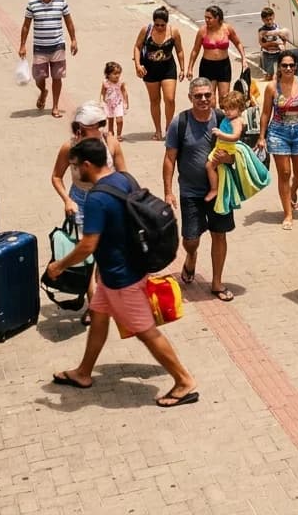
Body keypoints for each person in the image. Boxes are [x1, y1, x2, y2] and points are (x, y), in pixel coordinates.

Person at [48, 137, 198, 406]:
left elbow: (88, 244)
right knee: (99, 317)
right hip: (125, 268)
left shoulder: (96, 198)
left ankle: (184, 380)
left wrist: (60, 265)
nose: (74, 172)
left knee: (146, 332)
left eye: (74, 166)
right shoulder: (124, 178)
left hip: (121, 278)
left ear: (86, 164)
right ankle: (83, 373)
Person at [49, 102, 128, 324]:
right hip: (80, 202)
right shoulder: (69, 148)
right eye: (98, 124)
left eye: (103, 123)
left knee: (101, 259)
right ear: (82, 127)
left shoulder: (109, 142)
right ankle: (96, 307)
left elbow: (124, 175)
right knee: (87, 258)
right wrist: (67, 200)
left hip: (107, 200)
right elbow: (56, 176)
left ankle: (96, 308)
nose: (103, 127)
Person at [163, 78, 236, 302]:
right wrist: (168, 191)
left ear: (213, 95)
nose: (203, 99)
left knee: (219, 234)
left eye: (207, 95)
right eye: (198, 96)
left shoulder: (223, 120)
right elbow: (169, 158)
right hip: (190, 192)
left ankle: (216, 283)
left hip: (220, 190)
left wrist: (229, 158)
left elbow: (237, 154)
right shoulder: (180, 122)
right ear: (190, 98)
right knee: (191, 238)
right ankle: (191, 256)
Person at [258, 51, 298, 229]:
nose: (288, 68)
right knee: (284, 173)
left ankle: (292, 193)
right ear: (279, 66)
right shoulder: (272, 87)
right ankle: (287, 214)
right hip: (278, 133)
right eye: (284, 65)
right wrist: (262, 136)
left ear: (296, 67)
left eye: (291, 65)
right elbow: (265, 113)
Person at [19, 0, 77, 118]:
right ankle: (43, 91)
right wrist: (22, 45)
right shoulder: (32, 3)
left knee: (57, 77)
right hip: (40, 47)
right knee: (39, 77)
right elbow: (26, 25)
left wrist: (73, 40)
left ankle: (55, 107)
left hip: (58, 46)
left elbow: (69, 22)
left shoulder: (61, 1)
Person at [133, 7, 186, 141]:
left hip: (168, 68)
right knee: (155, 100)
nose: (160, 27)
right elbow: (137, 46)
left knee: (170, 99)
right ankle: (158, 130)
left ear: (167, 23)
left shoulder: (173, 32)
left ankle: (169, 128)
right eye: (157, 24)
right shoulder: (146, 30)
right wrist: (138, 65)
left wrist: (182, 68)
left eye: (162, 25)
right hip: (150, 69)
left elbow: (179, 50)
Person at [185, 5, 246, 105]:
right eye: (205, 17)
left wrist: (243, 58)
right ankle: (211, 120)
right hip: (207, 66)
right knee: (210, 101)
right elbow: (195, 50)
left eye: (209, 18)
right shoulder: (202, 31)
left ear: (217, 18)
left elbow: (238, 43)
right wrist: (190, 68)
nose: (206, 20)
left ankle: (222, 120)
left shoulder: (227, 29)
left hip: (223, 66)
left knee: (224, 99)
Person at [204, 90, 247, 204]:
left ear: (240, 109)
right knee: (218, 169)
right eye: (226, 108)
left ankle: (214, 189)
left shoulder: (236, 121)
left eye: (231, 109)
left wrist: (220, 134)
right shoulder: (229, 118)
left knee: (209, 166)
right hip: (221, 146)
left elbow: (235, 137)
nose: (227, 112)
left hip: (226, 148)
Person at [257, 6, 290, 79]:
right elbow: (262, 44)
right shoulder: (262, 31)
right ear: (262, 20)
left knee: (280, 74)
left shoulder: (278, 28)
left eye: (270, 19)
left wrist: (283, 46)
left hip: (278, 54)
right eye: (266, 20)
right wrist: (276, 44)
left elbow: (284, 39)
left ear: (273, 16)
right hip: (267, 55)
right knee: (269, 76)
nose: (269, 21)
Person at [100, 62, 129, 140]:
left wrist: (126, 102)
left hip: (118, 103)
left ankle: (119, 135)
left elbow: (124, 92)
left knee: (119, 120)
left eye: (119, 73)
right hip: (108, 104)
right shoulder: (105, 83)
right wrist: (102, 103)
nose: (117, 75)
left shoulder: (120, 83)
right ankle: (111, 133)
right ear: (108, 74)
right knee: (110, 120)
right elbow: (102, 93)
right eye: (115, 73)